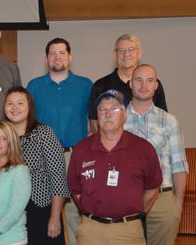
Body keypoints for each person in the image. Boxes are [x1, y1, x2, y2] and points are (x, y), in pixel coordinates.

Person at [67, 89, 162, 245]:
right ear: (97, 116)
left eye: (114, 109)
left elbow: (153, 188)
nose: (107, 114)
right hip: (91, 231)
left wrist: (134, 214)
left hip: (129, 231)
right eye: (102, 109)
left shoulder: (143, 148)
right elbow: (76, 191)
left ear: (124, 114)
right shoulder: (81, 149)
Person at [25, 38, 91, 245]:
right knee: (45, 210)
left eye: (62, 53)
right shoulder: (34, 86)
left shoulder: (85, 85)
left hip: (75, 155)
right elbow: (28, 122)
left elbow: (94, 122)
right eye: (52, 53)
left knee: (75, 210)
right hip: (42, 159)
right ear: (46, 58)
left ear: (70, 56)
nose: (57, 57)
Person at [124, 64, 188, 245]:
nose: (144, 85)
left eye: (149, 80)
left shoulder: (169, 121)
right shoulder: (117, 120)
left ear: (156, 85)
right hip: (126, 199)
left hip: (162, 201)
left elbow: (179, 164)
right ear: (130, 83)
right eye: (138, 80)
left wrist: (177, 205)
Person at [4, 87, 69, 244]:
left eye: (20, 103)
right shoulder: (0, 136)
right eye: (9, 103)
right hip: (8, 210)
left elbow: (58, 178)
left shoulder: (44, 133)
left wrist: (54, 217)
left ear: (30, 107)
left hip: (39, 208)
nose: (14, 108)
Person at [89, 34, 168, 133]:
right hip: (114, 147)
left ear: (139, 54)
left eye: (131, 49)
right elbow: (94, 124)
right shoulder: (100, 86)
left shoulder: (153, 84)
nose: (126, 54)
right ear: (115, 55)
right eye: (121, 50)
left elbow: (162, 120)